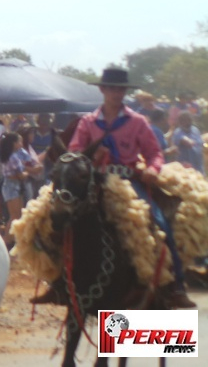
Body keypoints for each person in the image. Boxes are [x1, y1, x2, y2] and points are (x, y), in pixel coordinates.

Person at [63, 67, 195, 308]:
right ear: (102, 90)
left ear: (125, 92)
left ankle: (175, 285)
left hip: (131, 183)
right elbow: (73, 153)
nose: (116, 93)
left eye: (120, 89)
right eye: (111, 88)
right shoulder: (88, 122)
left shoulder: (137, 122)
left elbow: (155, 154)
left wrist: (152, 171)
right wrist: (89, 155)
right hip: (97, 182)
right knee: (62, 219)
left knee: (160, 223)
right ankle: (60, 281)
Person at [0, 132, 39, 247]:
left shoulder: (10, 155)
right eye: (19, 142)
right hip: (13, 187)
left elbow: (27, 157)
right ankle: (8, 240)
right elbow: (21, 175)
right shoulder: (14, 158)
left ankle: (11, 239)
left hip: (11, 186)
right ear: (14, 143)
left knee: (15, 215)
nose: (21, 144)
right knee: (14, 215)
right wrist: (28, 173)